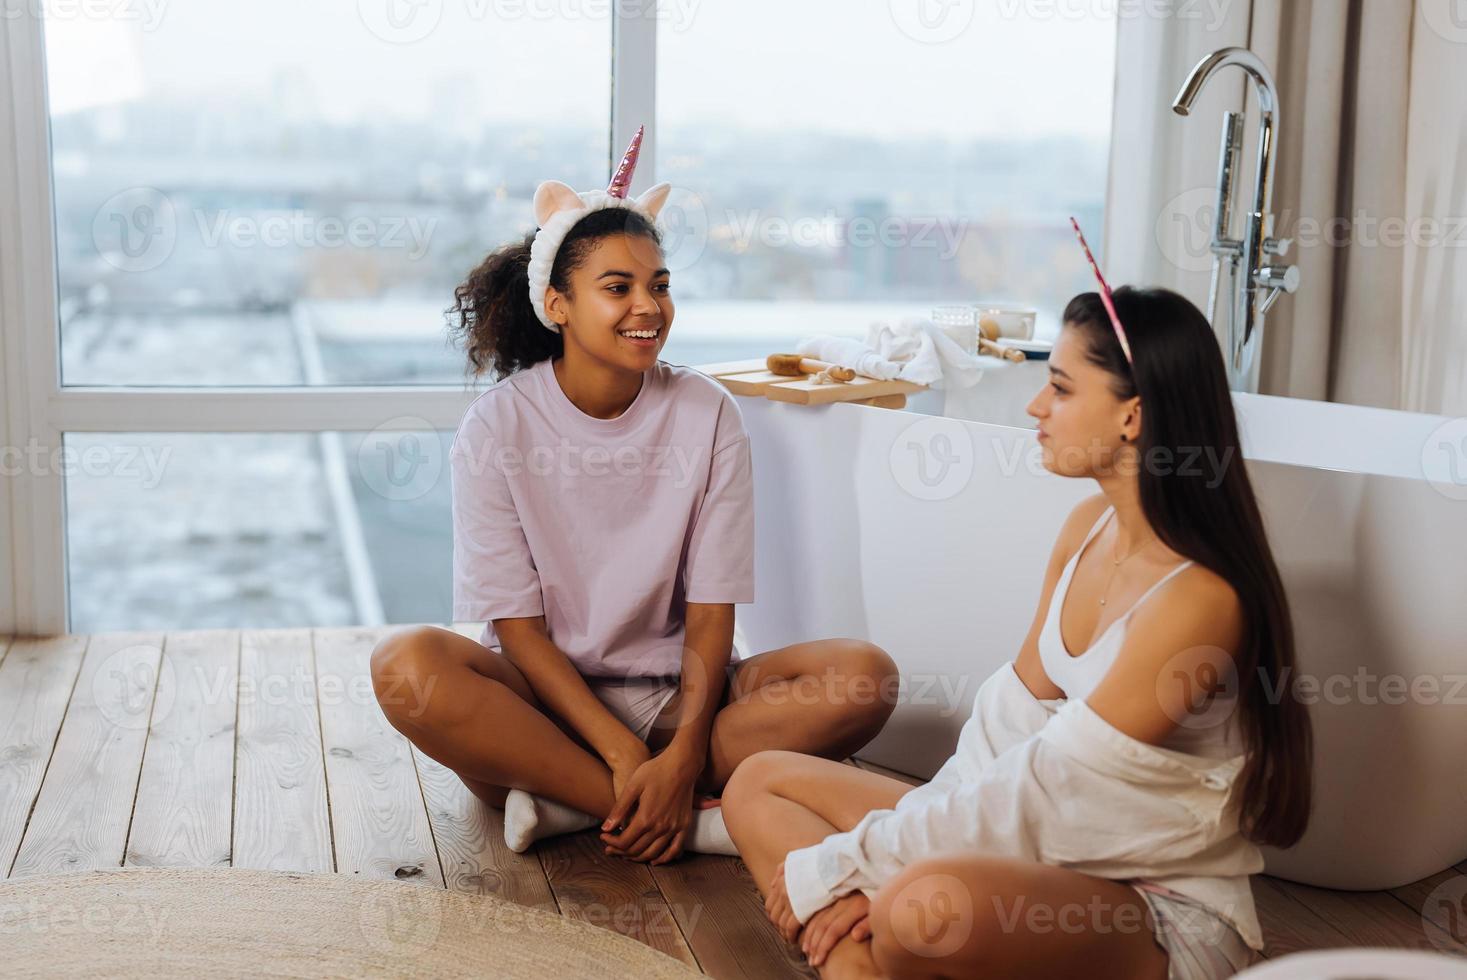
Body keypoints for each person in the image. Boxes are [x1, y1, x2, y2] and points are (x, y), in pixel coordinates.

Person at [722, 281, 1314, 979]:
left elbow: (1049, 787)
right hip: (1027, 849)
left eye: (1060, 389)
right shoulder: (1085, 529)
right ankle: (864, 969)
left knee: (919, 906)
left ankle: (869, 954)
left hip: (1151, 905)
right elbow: (1005, 734)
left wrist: (850, 864)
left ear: (1132, 416)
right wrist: (892, 855)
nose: (1036, 407)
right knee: (758, 784)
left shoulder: (1197, 600)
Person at [370, 128, 899, 863]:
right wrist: (621, 754)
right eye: (616, 288)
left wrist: (680, 753)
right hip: (541, 710)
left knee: (864, 679)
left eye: (659, 284)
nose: (646, 306)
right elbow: (517, 632)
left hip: (680, 702)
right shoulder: (498, 424)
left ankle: (573, 802)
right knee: (406, 665)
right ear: (557, 305)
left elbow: (714, 611)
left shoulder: (705, 411)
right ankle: (688, 817)